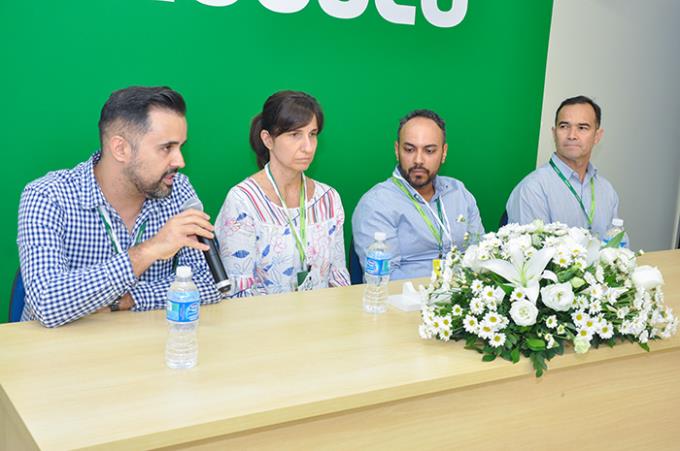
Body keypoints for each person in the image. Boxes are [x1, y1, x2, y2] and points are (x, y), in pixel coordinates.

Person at [17, 86, 221, 327]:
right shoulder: (48, 196)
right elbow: (46, 302)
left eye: (181, 147)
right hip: (57, 354)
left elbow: (211, 284)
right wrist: (149, 250)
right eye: (167, 148)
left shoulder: (178, 190)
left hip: (143, 346)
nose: (180, 161)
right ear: (121, 149)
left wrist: (129, 299)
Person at [215, 90, 350, 296]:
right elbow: (237, 293)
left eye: (312, 135)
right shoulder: (243, 201)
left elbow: (338, 277)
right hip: (262, 324)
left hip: (322, 322)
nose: (308, 147)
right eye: (295, 134)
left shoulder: (328, 199)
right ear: (268, 140)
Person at [352, 109, 484, 280]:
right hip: (405, 302)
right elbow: (383, 279)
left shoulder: (459, 193)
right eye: (409, 150)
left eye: (429, 151)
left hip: (461, 300)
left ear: (443, 153)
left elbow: (481, 255)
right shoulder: (377, 204)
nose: (418, 160)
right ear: (396, 150)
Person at [506, 95, 621, 239]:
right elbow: (531, 256)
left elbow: (618, 247)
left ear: (597, 136)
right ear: (554, 134)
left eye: (582, 128)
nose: (572, 135)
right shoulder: (533, 189)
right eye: (564, 126)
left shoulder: (606, 190)